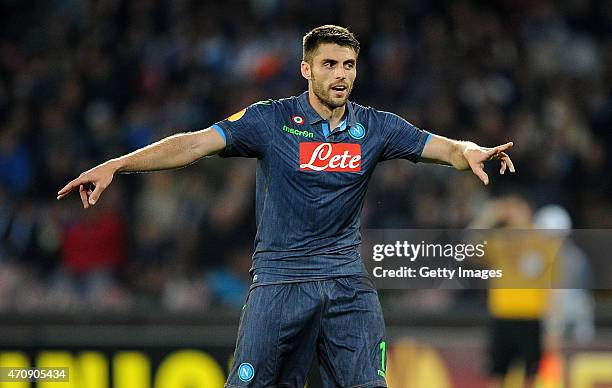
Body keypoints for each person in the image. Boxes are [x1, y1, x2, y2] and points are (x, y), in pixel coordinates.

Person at [58, 25, 515, 388]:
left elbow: (447, 149)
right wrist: (118, 164)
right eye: (330, 64)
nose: (341, 75)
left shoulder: (376, 127)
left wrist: (471, 150)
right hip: (281, 282)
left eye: (349, 65)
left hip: (347, 285)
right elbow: (194, 145)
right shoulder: (269, 120)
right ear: (306, 69)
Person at [470, 195, 560, 388]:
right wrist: (487, 217)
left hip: (530, 317)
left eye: (516, 207)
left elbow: (552, 285)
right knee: (496, 375)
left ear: (528, 209)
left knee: (531, 376)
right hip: (502, 316)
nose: (511, 213)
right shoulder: (500, 240)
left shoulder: (543, 241)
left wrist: (552, 326)